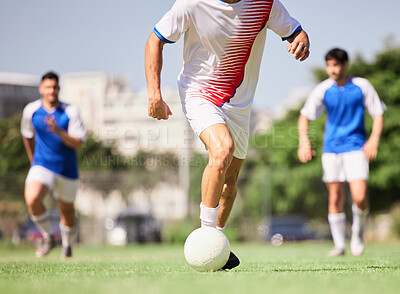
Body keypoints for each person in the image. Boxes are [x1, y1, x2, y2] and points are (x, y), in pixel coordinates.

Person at [145, 0, 310, 269]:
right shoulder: (191, 3)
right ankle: (205, 236)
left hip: (240, 104)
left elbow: (294, 31)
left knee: (230, 183)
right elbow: (154, 40)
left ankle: (216, 247)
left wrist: (302, 40)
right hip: (199, 92)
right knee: (222, 150)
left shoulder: (264, 3)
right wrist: (154, 93)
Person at [297, 48, 386, 256]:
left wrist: (373, 139)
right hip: (331, 149)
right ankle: (339, 245)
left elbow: (379, 114)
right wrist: (304, 142)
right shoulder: (323, 89)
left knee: (360, 196)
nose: (332, 70)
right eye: (329, 65)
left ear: (345, 65)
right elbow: (305, 116)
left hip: (356, 147)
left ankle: (358, 231)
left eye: (336, 65)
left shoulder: (362, 86)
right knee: (335, 195)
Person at [21, 71, 86, 258]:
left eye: (55, 87)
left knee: (67, 212)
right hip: (42, 165)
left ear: (59, 89)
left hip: (67, 168)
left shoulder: (70, 111)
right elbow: (27, 135)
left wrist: (59, 132)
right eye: (48, 87)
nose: (52, 90)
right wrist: (33, 159)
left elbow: (78, 143)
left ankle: (67, 246)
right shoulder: (31, 110)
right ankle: (48, 237)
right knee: (32, 198)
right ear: (41, 89)